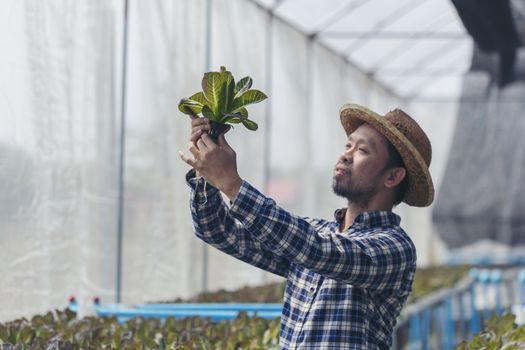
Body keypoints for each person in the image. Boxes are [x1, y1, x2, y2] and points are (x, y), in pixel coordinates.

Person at [178, 103, 434, 349]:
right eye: (348, 145)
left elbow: (317, 251)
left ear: (392, 176)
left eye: (362, 151)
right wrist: (207, 172)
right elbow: (219, 231)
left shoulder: (395, 247)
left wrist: (232, 184)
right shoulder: (317, 232)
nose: (345, 155)